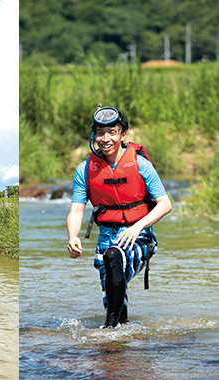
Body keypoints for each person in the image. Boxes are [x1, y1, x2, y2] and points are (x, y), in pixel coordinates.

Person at [66, 105, 172, 328]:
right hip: (105, 239)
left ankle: (108, 333)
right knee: (116, 304)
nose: (106, 139)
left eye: (112, 132)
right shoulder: (85, 170)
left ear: (123, 135)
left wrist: (137, 227)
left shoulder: (141, 164)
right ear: (94, 135)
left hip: (139, 236)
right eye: (100, 133)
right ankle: (119, 351)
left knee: (114, 257)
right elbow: (77, 209)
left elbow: (165, 204)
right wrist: (73, 236)